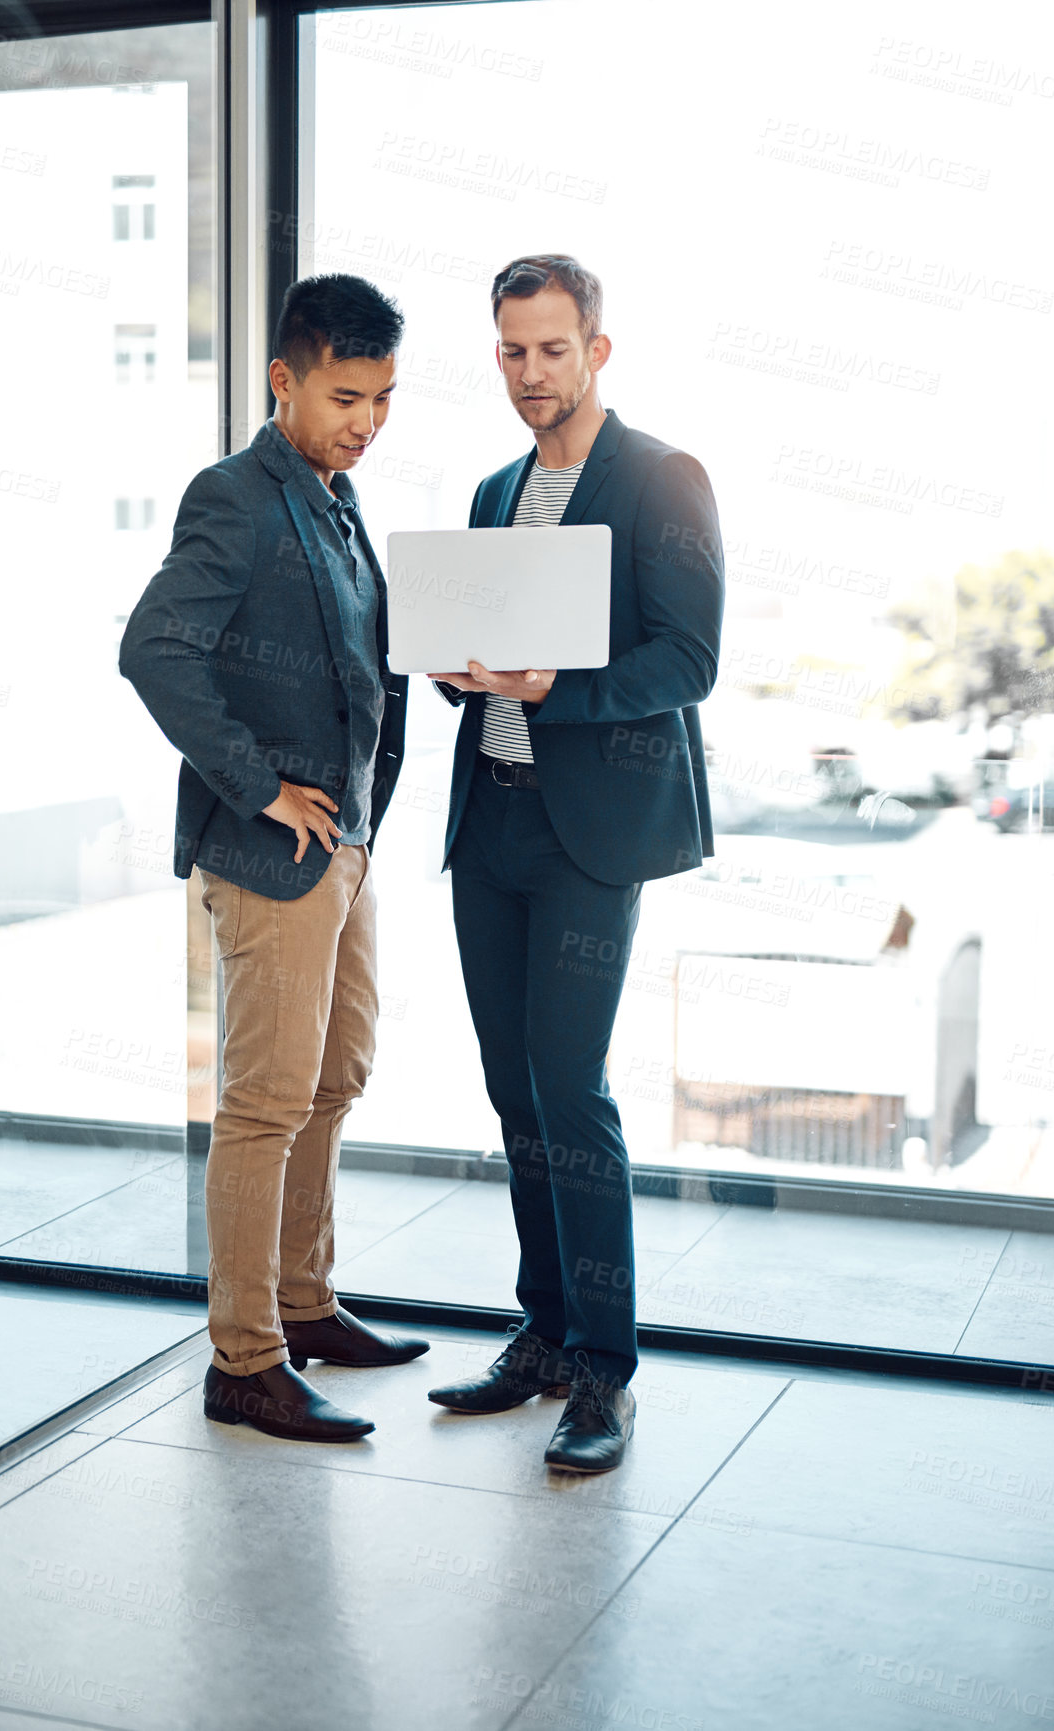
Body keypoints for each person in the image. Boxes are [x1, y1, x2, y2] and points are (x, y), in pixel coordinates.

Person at [426, 255, 724, 1473]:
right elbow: (494, 647)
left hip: (587, 831)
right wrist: (460, 665)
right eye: (511, 350)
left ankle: (603, 1370)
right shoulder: (497, 489)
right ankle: (542, 1335)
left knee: (570, 1093)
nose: (530, 372)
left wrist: (561, 689)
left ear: (598, 349)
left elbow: (687, 661)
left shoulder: (662, 478)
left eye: (552, 349)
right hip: (490, 817)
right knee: (513, 1094)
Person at [119, 273, 427, 1446]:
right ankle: (244, 1361)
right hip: (270, 852)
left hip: (345, 848)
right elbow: (155, 651)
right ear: (282, 380)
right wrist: (256, 784)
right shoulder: (237, 497)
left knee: (337, 1078)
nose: (368, 419)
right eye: (348, 396)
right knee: (264, 1106)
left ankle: (304, 1305)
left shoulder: (335, 502)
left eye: (386, 397)